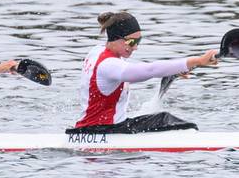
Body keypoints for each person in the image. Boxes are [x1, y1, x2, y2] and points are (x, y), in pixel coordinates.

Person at [75, 12, 217, 129]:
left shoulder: (97, 51)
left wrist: (172, 71)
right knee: (166, 120)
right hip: (102, 130)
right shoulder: (109, 65)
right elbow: (151, 70)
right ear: (116, 39)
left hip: (94, 127)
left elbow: (139, 70)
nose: (135, 47)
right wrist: (198, 61)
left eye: (139, 41)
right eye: (132, 42)